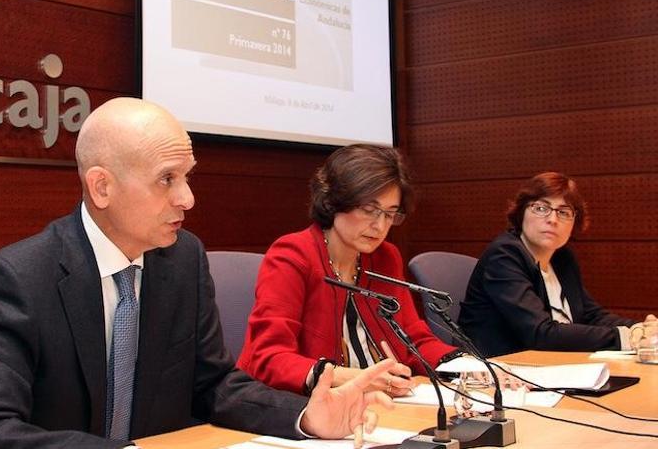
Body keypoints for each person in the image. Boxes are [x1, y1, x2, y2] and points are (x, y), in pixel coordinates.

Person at [0, 98, 397, 449]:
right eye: (167, 179)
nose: (188, 198)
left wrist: (304, 417)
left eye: (188, 176)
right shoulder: (21, 277)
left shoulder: (183, 259)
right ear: (102, 186)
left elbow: (213, 384)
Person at [237, 144, 460, 398]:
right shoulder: (292, 255)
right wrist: (353, 379)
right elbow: (269, 359)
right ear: (333, 201)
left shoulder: (385, 257)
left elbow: (414, 340)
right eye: (368, 210)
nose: (379, 226)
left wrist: (470, 367)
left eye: (390, 214)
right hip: (302, 408)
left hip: (379, 403)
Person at [458, 172, 657, 358]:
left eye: (563, 212)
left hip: (552, 364)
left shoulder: (562, 258)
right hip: (501, 370)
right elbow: (539, 333)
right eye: (541, 208)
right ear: (521, 213)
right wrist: (625, 338)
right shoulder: (504, 255)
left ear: (574, 222)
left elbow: (590, 314)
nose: (552, 219)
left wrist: (638, 328)